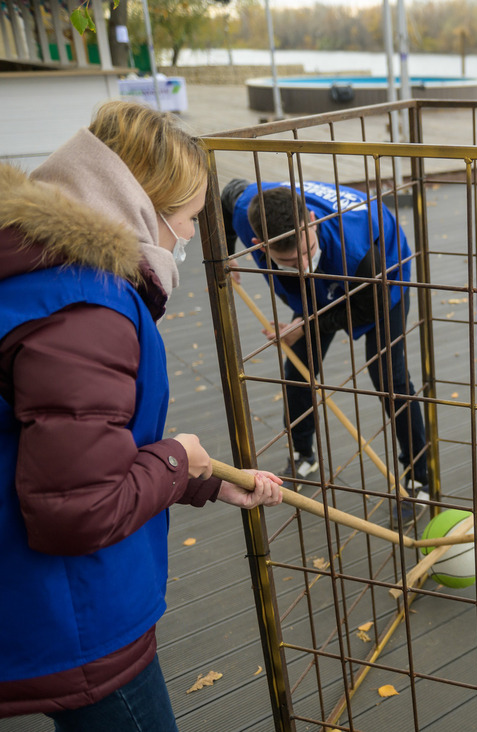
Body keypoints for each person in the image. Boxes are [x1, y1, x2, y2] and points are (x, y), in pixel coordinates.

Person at [0, 101, 284, 730]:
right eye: (186, 220)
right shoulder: (85, 309)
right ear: (141, 206)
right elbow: (78, 509)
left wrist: (200, 477)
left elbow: (67, 447)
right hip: (70, 613)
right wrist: (178, 458)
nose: (186, 237)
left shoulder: (35, 266)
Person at [222, 179, 430, 518]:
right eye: (290, 260)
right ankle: (303, 453)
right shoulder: (246, 209)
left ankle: (420, 478)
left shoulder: (360, 251)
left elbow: (366, 308)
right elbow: (223, 200)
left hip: (380, 275)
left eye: (306, 250)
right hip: (330, 276)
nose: (303, 264)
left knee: (389, 377)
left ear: (313, 221)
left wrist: (306, 324)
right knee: (297, 368)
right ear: (259, 244)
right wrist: (225, 251)